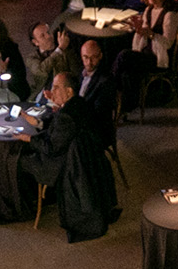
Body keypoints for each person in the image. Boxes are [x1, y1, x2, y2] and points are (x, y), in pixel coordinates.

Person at [21, 71, 120, 243]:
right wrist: (37, 122)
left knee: (19, 160)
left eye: (56, 88)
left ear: (69, 91)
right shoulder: (79, 103)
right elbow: (59, 129)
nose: (52, 91)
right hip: (86, 161)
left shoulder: (66, 116)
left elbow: (51, 147)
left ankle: (23, 207)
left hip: (66, 165)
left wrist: (29, 139)